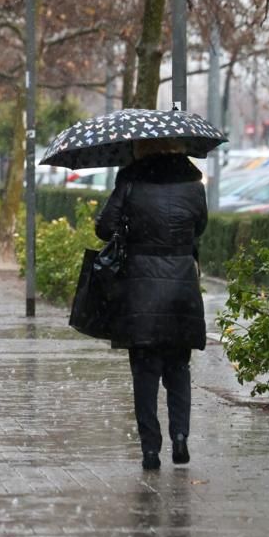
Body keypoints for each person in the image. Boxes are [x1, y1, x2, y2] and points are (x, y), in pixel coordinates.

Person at [95, 137, 208, 470]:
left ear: (141, 149)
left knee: (145, 372)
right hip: (182, 285)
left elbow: (105, 229)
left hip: (141, 286)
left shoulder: (130, 180)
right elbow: (199, 227)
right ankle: (181, 437)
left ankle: (149, 449)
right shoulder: (194, 183)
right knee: (178, 367)